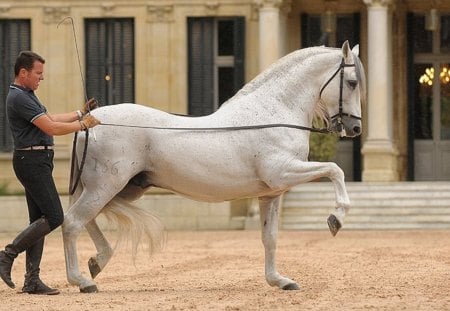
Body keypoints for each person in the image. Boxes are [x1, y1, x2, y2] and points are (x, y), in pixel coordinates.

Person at [0, 51, 101, 295]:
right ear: (23, 73)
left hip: (36, 160)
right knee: (55, 217)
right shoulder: (19, 98)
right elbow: (52, 127)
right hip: (31, 161)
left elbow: (50, 118)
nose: (41, 78)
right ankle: (7, 255)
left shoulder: (26, 95)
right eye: (38, 73)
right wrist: (81, 126)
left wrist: (79, 113)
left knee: (38, 220)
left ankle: (32, 280)